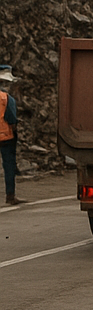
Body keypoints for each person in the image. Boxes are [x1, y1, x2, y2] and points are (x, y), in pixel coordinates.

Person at [1, 65, 21, 206]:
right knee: (8, 166)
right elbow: (12, 119)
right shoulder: (7, 99)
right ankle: (10, 196)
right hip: (6, 137)